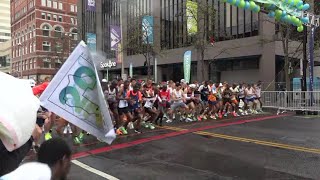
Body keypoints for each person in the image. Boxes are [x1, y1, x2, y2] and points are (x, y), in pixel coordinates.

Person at [1, 138, 71, 180]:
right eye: (69, 161)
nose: (69, 166)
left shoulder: (29, 169)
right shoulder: (41, 173)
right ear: (64, 160)